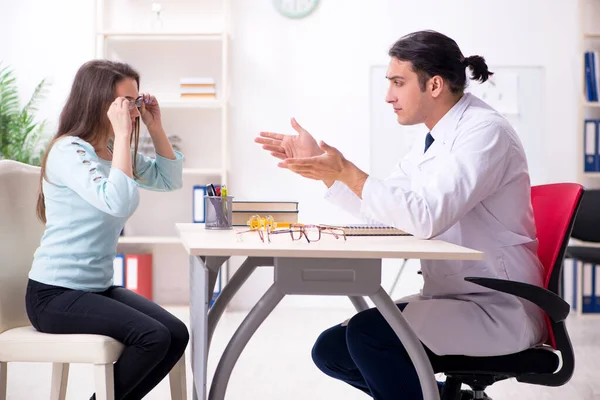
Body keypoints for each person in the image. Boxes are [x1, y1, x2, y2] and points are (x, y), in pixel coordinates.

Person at [255, 30, 546, 400]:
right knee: (331, 350)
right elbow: (388, 211)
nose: (389, 96)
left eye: (398, 82)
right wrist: (329, 171)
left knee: (369, 338)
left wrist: (348, 171)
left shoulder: (485, 133)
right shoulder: (433, 141)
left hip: (497, 305)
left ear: (435, 84)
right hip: (456, 296)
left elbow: (425, 218)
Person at [26, 59, 189, 400]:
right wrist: (125, 134)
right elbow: (118, 203)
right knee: (152, 336)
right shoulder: (69, 151)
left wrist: (155, 128)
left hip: (95, 288)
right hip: (54, 295)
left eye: (137, 102)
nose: (133, 111)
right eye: (127, 103)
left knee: (175, 333)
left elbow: (169, 180)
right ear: (99, 102)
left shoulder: (113, 150)